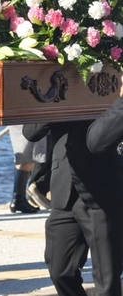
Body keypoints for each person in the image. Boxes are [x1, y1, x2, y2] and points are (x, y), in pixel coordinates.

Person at [24, 120, 123, 296]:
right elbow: (31, 132)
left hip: (103, 188)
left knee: (106, 280)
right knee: (60, 271)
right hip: (64, 187)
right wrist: (52, 105)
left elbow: (107, 131)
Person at [8, 125, 47, 213]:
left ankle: (20, 198)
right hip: (26, 122)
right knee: (27, 157)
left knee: (26, 157)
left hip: (20, 121)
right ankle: (18, 199)